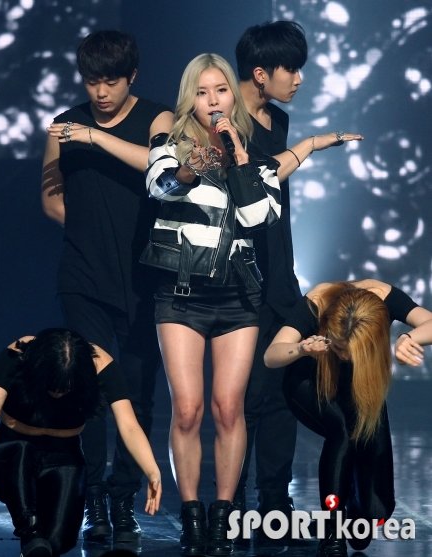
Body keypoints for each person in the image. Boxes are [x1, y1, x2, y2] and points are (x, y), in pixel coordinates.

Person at [140, 53, 282, 556]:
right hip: (181, 295)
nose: (212, 101)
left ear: (233, 96)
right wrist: (186, 171)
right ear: (189, 99)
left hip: (238, 296)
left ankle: (223, 515)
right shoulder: (169, 146)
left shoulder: (256, 157)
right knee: (187, 409)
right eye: (201, 93)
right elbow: (158, 188)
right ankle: (192, 515)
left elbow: (260, 217)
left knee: (227, 408)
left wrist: (239, 156)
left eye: (220, 90)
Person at [41, 30, 173, 545]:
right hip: (83, 277)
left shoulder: (158, 119)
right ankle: (95, 497)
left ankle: (124, 496)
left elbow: (161, 168)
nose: (100, 92)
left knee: (138, 392)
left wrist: (95, 138)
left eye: (111, 81)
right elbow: (51, 198)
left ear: (131, 77)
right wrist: (88, 235)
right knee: (91, 389)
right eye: (92, 81)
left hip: (145, 276)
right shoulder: (64, 125)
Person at [233, 20, 364, 532]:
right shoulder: (223, 120)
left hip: (279, 274)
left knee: (282, 390)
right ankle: (229, 505)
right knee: (242, 399)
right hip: (235, 276)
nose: (299, 79)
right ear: (260, 72)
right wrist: (310, 145)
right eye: (292, 68)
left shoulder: (278, 120)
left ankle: (274, 503)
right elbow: (258, 177)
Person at [263, 279, 432, 556]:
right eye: (339, 348)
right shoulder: (318, 302)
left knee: (376, 511)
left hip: (357, 388)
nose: (343, 356)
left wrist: (409, 338)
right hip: (310, 381)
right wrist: (303, 349)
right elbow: (272, 355)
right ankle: (332, 533)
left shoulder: (383, 296)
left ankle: (349, 510)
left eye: (350, 351)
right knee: (341, 431)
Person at [0, 328, 161, 557]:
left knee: (57, 541)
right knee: (33, 526)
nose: (59, 392)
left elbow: (129, 425)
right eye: (53, 385)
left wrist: (152, 471)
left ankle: (36, 545)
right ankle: (30, 532)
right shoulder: (20, 354)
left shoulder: (100, 365)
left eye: (66, 386)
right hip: (11, 452)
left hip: (63, 455)